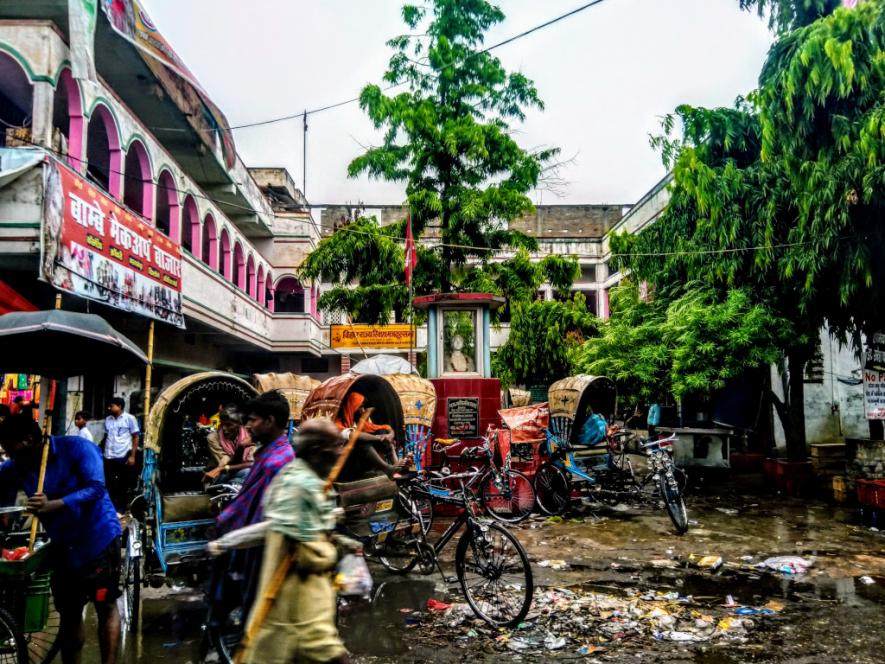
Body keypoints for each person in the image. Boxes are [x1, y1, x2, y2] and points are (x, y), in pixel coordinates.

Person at [208, 419, 350, 664]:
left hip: (299, 605)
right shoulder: (300, 484)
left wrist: (228, 541)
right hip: (299, 603)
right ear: (318, 451)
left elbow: (277, 527)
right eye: (335, 446)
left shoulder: (297, 475)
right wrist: (331, 551)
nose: (340, 453)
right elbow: (308, 553)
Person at [0, 414, 122, 664]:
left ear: (29, 439)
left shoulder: (78, 448)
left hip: (97, 537)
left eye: (10, 445)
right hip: (63, 544)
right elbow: (4, 502)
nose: (6, 451)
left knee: (105, 605)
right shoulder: (14, 466)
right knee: (69, 613)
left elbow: (96, 488)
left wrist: (54, 504)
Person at [214, 392, 295, 627]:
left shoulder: (276, 462)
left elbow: (257, 511)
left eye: (252, 420)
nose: (247, 425)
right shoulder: (267, 453)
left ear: (269, 421)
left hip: (265, 549)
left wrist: (226, 528)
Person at [334, 392, 408, 481]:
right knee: (360, 440)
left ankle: (395, 465)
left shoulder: (359, 423)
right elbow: (355, 435)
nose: (363, 410)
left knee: (382, 432)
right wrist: (379, 438)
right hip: (345, 465)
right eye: (360, 407)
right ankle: (387, 469)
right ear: (352, 407)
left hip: (361, 463)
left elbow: (386, 427)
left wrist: (389, 435)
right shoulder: (338, 424)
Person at [101, 397, 140, 513]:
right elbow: (106, 437)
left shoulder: (130, 419)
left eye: (112, 406)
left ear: (119, 406)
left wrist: (132, 456)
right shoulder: (108, 419)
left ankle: (122, 508)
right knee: (109, 483)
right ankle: (111, 508)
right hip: (108, 456)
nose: (109, 408)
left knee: (122, 483)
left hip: (122, 455)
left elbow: (136, 437)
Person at [204, 405, 254, 484]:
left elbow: (253, 463)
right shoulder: (213, 438)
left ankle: (233, 486)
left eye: (228, 425)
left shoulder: (249, 435)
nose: (224, 428)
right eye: (222, 424)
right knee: (248, 473)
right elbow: (225, 464)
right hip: (219, 474)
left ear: (239, 424)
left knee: (250, 473)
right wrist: (241, 447)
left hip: (236, 471)